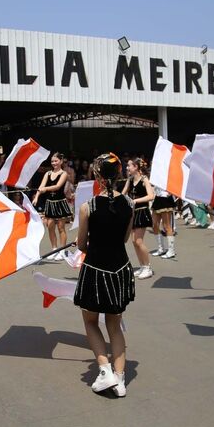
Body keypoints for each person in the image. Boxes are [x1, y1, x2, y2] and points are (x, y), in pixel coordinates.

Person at [73, 153, 133, 397]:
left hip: (96, 269)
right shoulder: (130, 204)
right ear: (118, 175)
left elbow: (80, 245)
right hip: (120, 268)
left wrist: (89, 243)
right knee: (114, 325)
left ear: (97, 175)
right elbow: (126, 238)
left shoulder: (88, 206)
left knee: (90, 321)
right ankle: (120, 381)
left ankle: (105, 370)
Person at [33, 153, 72, 259]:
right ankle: (54, 250)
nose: (54, 163)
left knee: (61, 228)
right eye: (52, 161)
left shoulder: (63, 173)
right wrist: (36, 196)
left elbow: (57, 186)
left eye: (56, 161)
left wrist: (46, 189)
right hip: (49, 203)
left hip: (60, 203)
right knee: (50, 227)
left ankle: (62, 251)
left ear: (61, 161)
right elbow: (41, 186)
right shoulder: (48, 173)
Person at [122, 158, 155, 279]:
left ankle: (148, 268)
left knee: (139, 241)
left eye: (129, 166)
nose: (127, 168)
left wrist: (135, 200)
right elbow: (123, 194)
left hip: (142, 212)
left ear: (136, 167)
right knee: (134, 242)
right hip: (132, 213)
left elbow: (151, 196)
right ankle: (142, 266)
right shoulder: (130, 180)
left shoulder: (144, 179)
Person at [151, 187, 177, 259]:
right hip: (157, 198)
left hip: (166, 197)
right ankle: (161, 248)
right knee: (154, 224)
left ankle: (171, 250)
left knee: (166, 226)